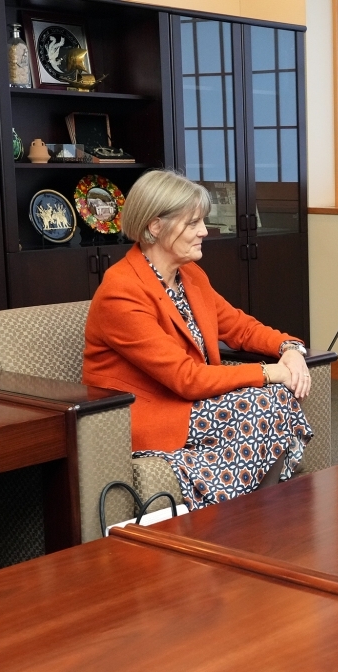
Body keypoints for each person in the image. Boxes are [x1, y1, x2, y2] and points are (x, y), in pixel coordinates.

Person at [82, 170, 313, 509]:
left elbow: (241, 328)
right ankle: (248, 514)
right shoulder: (121, 292)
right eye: (193, 224)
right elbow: (186, 378)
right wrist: (269, 372)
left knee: (277, 398)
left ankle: (252, 513)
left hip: (191, 405)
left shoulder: (189, 275)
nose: (205, 231)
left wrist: (289, 348)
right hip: (149, 414)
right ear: (155, 226)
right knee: (268, 399)